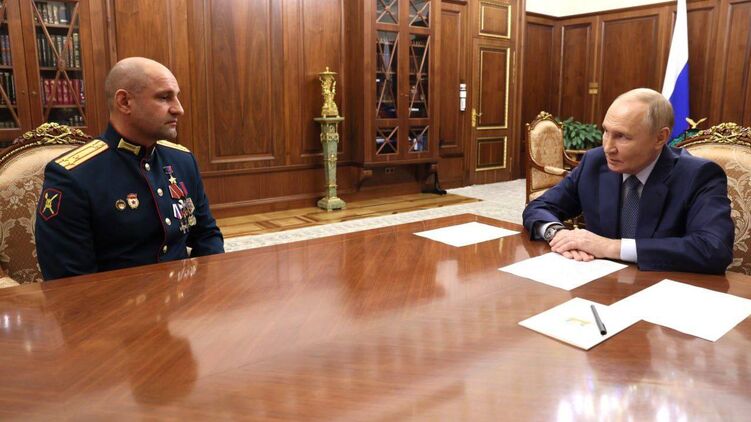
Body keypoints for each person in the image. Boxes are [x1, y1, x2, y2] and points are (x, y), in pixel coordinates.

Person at [35, 57, 224, 280]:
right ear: (124, 102)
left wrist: (207, 290)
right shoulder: (73, 176)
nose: (179, 109)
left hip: (185, 297)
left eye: (177, 96)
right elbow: (70, 281)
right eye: (164, 97)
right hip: (114, 301)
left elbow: (207, 235)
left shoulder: (182, 160)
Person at [522, 88, 733, 274]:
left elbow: (713, 249)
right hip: (598, 284)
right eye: (606, 132)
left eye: (622, 136)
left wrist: (610, 247)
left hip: (662, 289)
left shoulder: (698, 176)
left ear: (660, 138)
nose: (608, 147)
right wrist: (558, 234)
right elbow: (539, 207)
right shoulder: (595, 162)